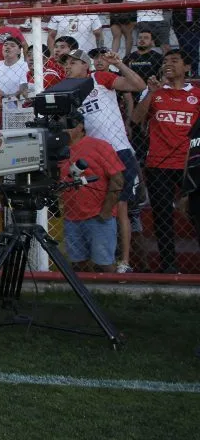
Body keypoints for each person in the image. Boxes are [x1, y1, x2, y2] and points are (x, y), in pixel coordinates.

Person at [65, 49, 144, 273]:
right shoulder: (66, 90)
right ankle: (98, 259)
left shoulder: (98, 78)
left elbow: (138, 86)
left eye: (73, 62)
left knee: (121, 207)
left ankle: (124, 262)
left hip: (117, 149)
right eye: (65, 63)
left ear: (85, 66)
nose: (67, 66)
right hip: (89, 155)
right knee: (95, 207)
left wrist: (119, 64)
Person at [132, 50, 200, 272]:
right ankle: (169, 266)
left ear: (187, 67)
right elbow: (136, 119)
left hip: (190, 165)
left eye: (174, 61)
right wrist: (151, 93)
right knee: (162, 217)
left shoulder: (197, 94)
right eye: (165, 61)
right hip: (158, 164)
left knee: (197, 213)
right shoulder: (155, 92)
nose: (168, 64)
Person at [59, 112, 125, 273]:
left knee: (104, 264)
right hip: (71, 216)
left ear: (81, 127)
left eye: (69, 126)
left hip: (97, 215)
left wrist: (106, 211)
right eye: (62, 126)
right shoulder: (59, 151)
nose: (65, 130)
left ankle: (114, 289)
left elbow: (117, 179)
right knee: (77, 264)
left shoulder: (99, 146)